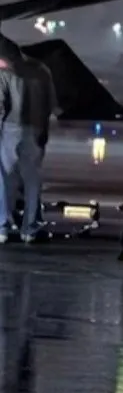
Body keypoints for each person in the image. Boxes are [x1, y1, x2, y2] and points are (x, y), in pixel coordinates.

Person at [0, 34, 58, 243]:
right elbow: (51, 105)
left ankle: (2, 226)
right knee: (32, 181)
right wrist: (44, 130)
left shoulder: (4, 73)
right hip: (35, 129)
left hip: (10, 129)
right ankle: (30, 228)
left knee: (5, 180)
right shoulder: (42, 70)